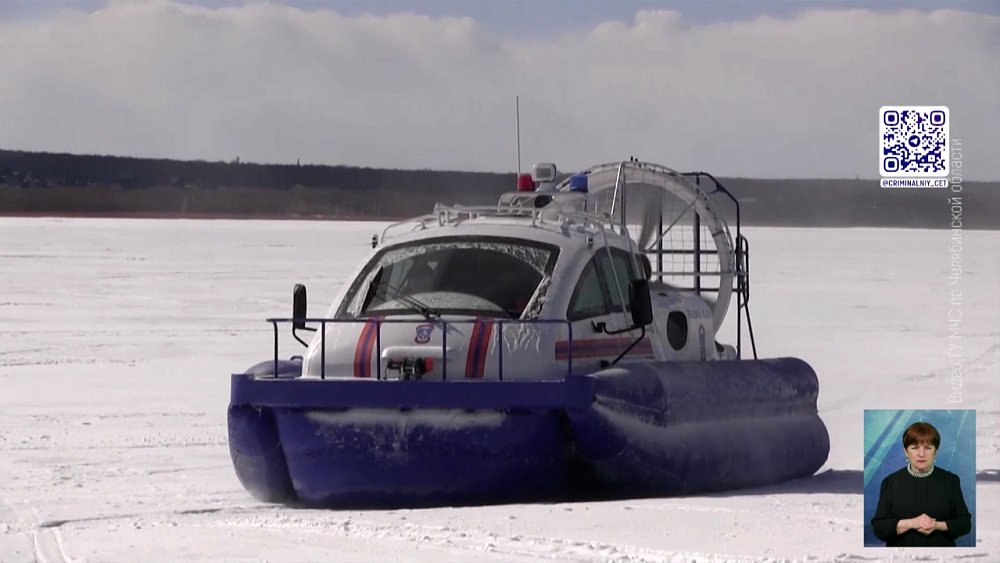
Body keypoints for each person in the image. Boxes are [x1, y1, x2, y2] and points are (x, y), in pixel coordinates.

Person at [870, 421, 972, 547]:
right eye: (914, 448)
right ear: (906, 452)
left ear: (936, 452)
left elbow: (965, 523)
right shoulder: (891, 482)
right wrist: (912, 523)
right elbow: (879, 527)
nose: (921, 454)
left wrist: (937, 525)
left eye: (928, 448)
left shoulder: (950, 481)